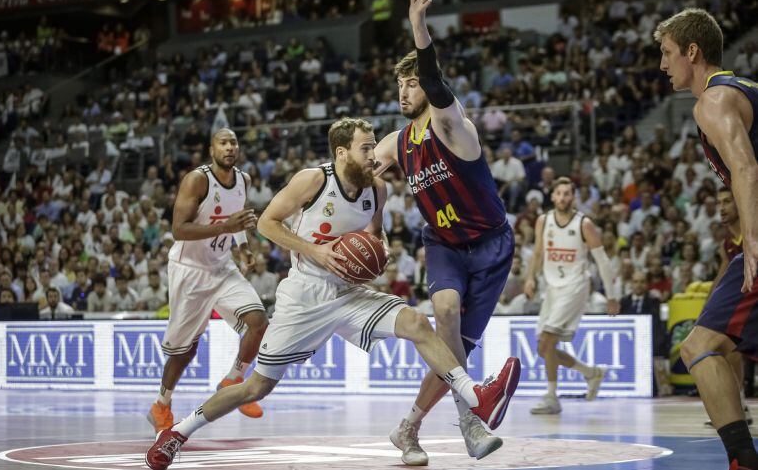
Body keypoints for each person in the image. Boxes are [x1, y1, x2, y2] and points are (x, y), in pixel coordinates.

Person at [145, 118, 520, 470]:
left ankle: (476, 397)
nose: (374, 156)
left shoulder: (378, 188)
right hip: (305, 294)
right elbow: (266, 223)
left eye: (374, 148)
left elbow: (375, 233)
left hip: (351, 292)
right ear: (341, 153)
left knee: (419, 323)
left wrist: (381, 249)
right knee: (256, 387)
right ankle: (177, 432)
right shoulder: (312, 180)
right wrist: (315, 250)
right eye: (365, 149)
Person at [372, 0, 517, 463]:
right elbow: (356, 172)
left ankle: (408, 428)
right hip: (444, 244)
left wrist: (418, 28)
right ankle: (470, 421)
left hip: (492, 246)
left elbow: (435, 80)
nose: (404, 91)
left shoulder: (454, 126)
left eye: (411, 83)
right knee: (446, 314)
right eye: (401, 85)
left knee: (451, 352)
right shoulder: (397, 143)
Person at [657, 8, 758, 470]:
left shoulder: (713, 100)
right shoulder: (745, 89)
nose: (663, 65)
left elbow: (744, 167)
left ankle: (742, 461)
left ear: (692, 52)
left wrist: (751, 242)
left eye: (667, 53)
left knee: (698, 347)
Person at [146, 128, 269, 434]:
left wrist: (242, 249)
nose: (229, 148)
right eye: (223, 143)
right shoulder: (197, 180)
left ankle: (233, 381)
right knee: (185, 350)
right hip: (189, 270)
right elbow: (179, 229)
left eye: (233, 143)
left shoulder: (244, 179)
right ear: (211, 148)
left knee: (259, 321)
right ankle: (161, 404)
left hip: (222, 266)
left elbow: (237, 221)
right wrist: (224, 227)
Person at [523, 177, 619, 414]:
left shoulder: (584, 223)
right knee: (544, 350)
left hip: (576, 285)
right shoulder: (543, 221)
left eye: (567, 194)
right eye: (559, 193)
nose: (563, 198)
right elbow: (537, 252)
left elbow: (602, 260)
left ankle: (551, 397)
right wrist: (530, 277)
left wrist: (612, 295)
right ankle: (591, 373)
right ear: (553, 196)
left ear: (573, 197)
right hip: (552, 287)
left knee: (547, 340)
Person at [703, 188, 753, 426]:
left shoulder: (752, 231)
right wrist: (708, 305)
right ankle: (739, 404)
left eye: (727, 202)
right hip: (744, 304)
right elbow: (722, 278)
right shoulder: (727, 244)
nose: (721, 208)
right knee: (725, 347)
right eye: (719, 203)